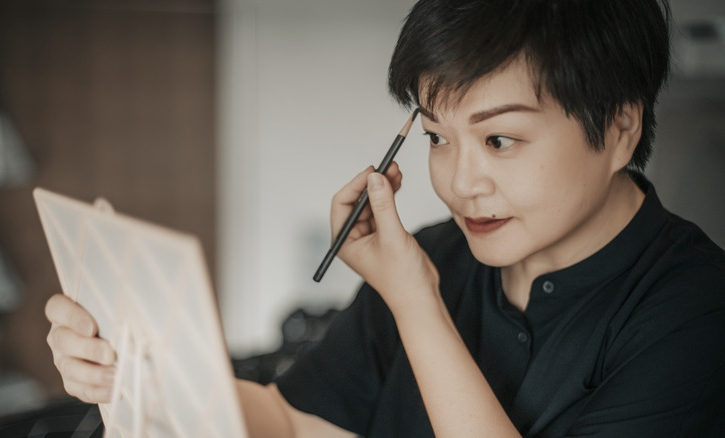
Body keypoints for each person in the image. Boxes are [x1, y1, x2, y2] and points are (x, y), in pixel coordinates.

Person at [44, 0, 725, 436]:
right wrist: (144, 372)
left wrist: (415, 303)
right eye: (436, 137)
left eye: (499, 140)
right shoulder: (439, 255)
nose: (459, 183)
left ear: (620, 130)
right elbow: (288, 421)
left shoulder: (693, 310)